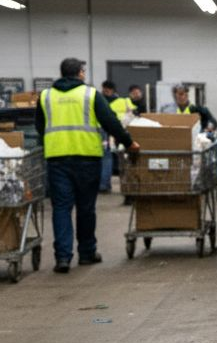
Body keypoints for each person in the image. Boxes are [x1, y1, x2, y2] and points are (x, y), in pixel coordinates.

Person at [36, 58, 139, 273]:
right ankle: (86, 253)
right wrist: (129, 142)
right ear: (81, 73)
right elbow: (110, 122)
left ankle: (62, 258)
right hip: (87, 158)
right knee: (85, 208)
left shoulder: (45, 96)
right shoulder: (91, 94)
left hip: (57, 159)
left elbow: (39, 127)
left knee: (61, 208)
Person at [99, 81, 134, 194]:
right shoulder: (99, 99)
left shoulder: (123, 101)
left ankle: (124, 185)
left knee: (121, 158)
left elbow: (133, 111)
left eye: (108, 89)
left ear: (113, 90)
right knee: (106, 156)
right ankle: (104, 184)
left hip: (119, 130)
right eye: (104, 89)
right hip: (104, 130)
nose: (106, 91)